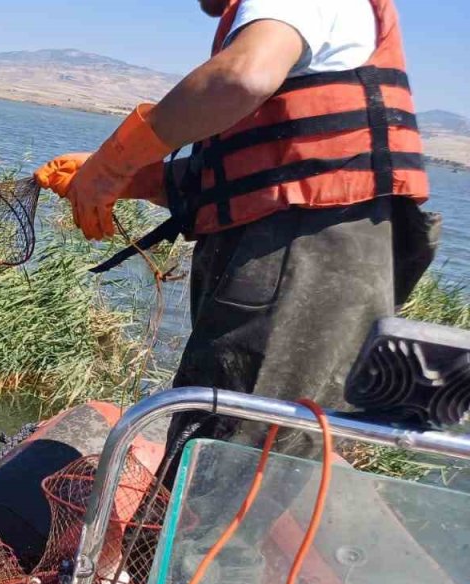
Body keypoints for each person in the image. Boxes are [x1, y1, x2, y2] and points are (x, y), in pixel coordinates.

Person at [36, 0, 440, 486]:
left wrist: (114, 162)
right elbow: (257, 176)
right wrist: (133, 180)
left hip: (304, 263)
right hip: (305, 258)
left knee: (230, 459)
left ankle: (188, 561)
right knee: (242, 447)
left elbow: (242, 76)